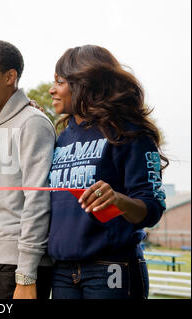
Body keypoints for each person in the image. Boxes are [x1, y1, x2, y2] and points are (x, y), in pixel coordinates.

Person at [47, 45, 168, 299]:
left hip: (111, 268)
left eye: (59, 82)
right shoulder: (61, 137)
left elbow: (152, 208)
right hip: (62, 271)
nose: (52, 89)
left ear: (83, 84)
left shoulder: (130, 133)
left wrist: (117, 199)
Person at [0, 40, 55, 299]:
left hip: (20, 267)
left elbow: (37, 199)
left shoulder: (32, 123)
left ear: (10, 77)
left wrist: (26, 273)